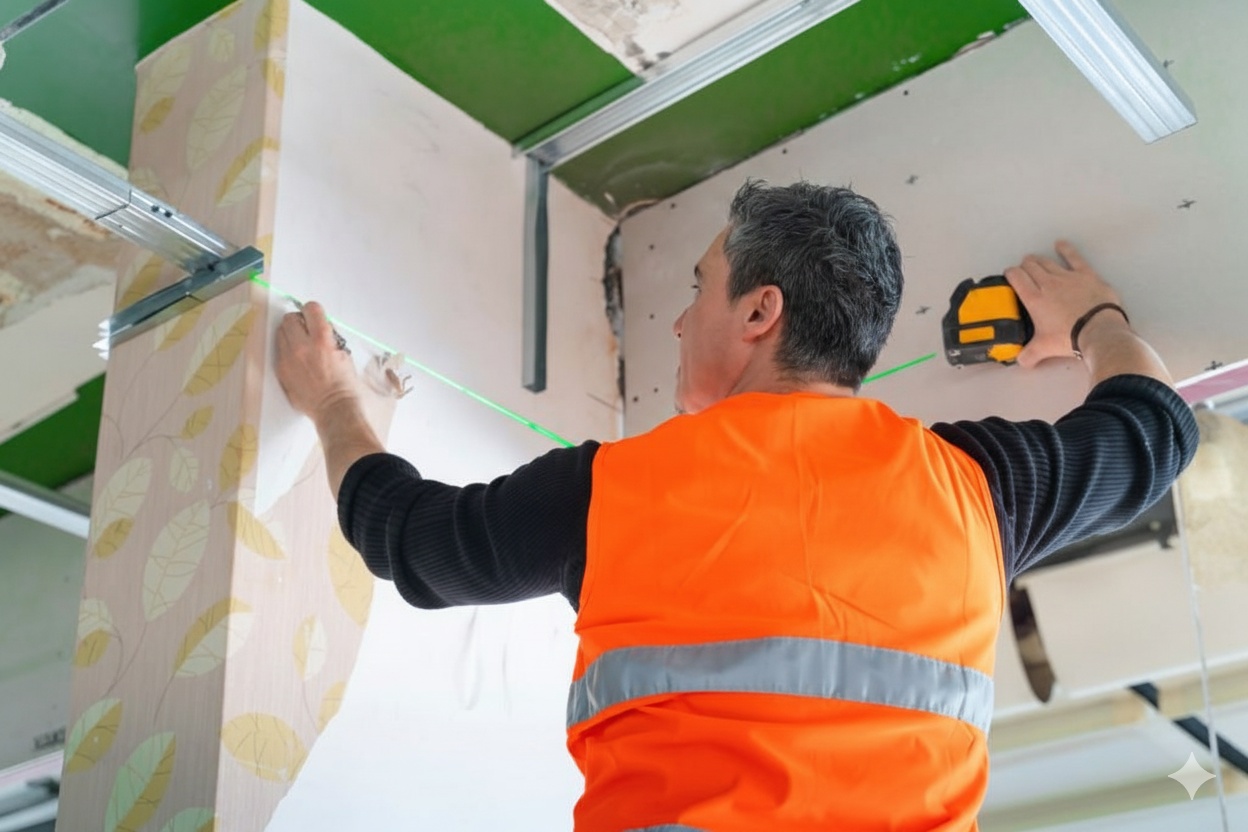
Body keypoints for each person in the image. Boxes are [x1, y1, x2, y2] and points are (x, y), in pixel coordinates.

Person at [275, 181, 1198, 831]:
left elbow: (414, 541)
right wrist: (1094, 319)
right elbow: (1154, 428)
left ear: (760, 313)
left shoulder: (613, 491)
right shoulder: (976, 486)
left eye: (697, 289)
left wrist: (333, 402)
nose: (681, 322)